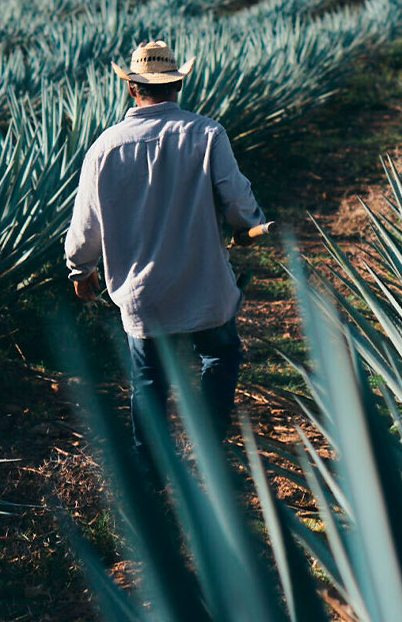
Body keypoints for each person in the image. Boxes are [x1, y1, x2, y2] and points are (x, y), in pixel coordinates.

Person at [64, 40, 270, 468]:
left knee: (148, 379)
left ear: (131, 87)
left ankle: (152, 471)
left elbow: (86, 222)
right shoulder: (206, 134)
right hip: (204, 283)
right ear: (177, 85)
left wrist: (81, 270)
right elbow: (237, 201)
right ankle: (209, 453)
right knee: (219, 356)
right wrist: (247, 225)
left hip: (143, 294)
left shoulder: (105, 147)